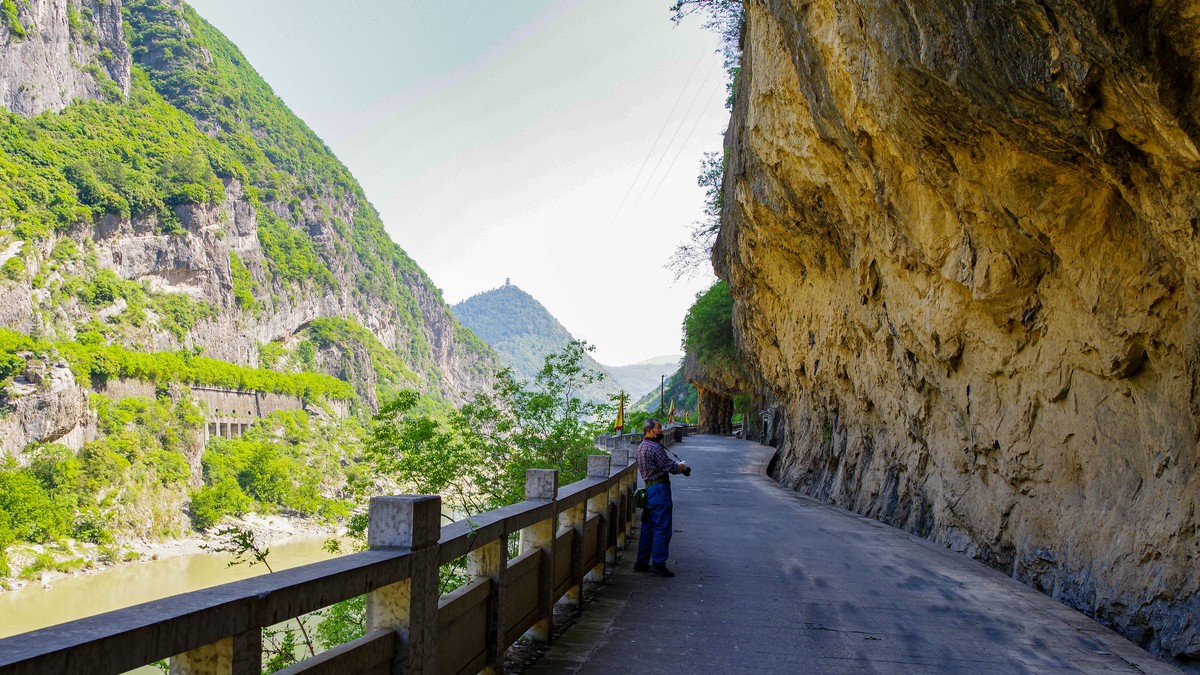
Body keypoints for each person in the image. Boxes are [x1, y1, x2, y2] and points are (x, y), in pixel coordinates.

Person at [635, 418, 688, 577]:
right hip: (660, 489)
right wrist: (681, 467)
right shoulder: (655, 448)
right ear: (649, 430)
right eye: (658, 428)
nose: (661, 431)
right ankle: (658, 563)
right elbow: (669, 466)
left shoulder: (641, 447)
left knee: (648, 527)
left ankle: (642, 562)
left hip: (648, 489)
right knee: (662, 527)